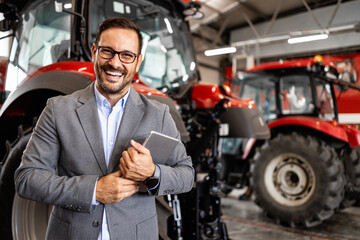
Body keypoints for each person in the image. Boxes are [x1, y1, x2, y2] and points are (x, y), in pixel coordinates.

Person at [14, 17, 194, 240]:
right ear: (94, 51)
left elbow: (186, 175)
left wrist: (152, 173)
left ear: (138, 62)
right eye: (107, 51)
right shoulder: (57, 109)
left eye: (127, 55)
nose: (116, 63)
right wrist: (93, 191)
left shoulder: (159, 114)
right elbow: (27, 178)